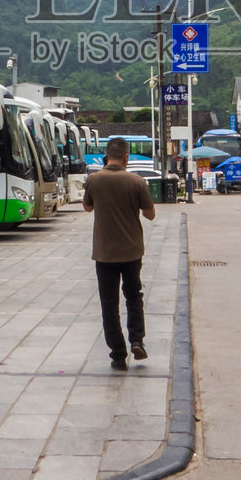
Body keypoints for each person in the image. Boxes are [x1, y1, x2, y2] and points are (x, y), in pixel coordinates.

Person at [83, 136, 157, 370]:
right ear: (126, 157)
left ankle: (118, 354)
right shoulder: (136, 181)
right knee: (134, 296)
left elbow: (87, 207)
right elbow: (150, 214)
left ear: (107, 156)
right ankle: (137, 340)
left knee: (109, 304)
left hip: (104, 253)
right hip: (132, 251)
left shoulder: (94, 180)